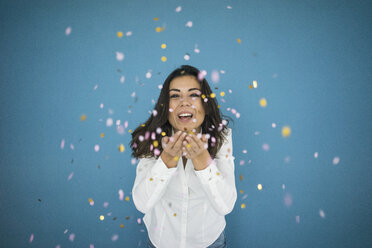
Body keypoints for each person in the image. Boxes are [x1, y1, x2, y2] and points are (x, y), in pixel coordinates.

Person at [131, 65, 237, 248]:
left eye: (193, 94)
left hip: (209, 241)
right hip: (161, 242)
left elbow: (226, 206)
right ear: (166, 105)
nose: (184, 102)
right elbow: (142, 204)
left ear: (205, 103)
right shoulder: (153, 137)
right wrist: (167, 160)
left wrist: (203, 160)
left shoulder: (222, 137)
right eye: (175, 95)